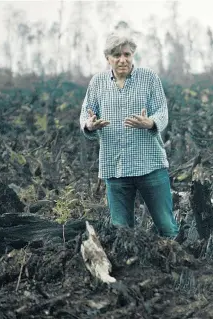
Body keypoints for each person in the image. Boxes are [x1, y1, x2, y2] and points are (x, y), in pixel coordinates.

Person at [78, 32, 179, 239]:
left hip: (150, 165)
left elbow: (162, 112)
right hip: (115, 168)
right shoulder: (97, 83)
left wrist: (150, 122)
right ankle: (132, 270)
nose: (122, 59)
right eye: (116, 55)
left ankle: (177, 267)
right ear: (108, 58)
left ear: (133, 55)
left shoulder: (149, 78)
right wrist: (90, 124)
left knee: (167, 228)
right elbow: (85, 115)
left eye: (127, 54)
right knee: (121, 232)